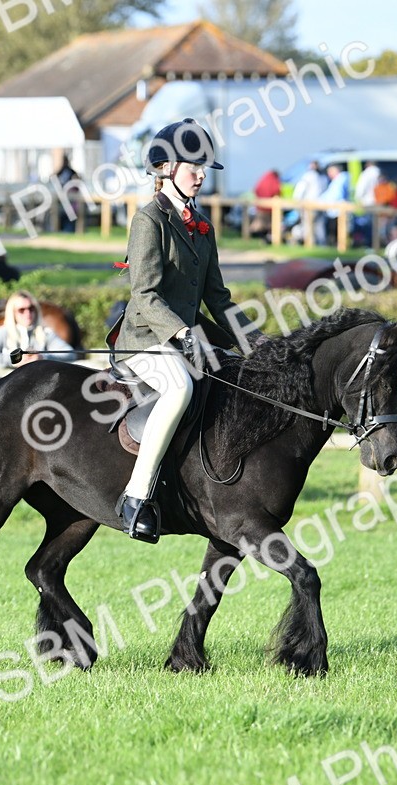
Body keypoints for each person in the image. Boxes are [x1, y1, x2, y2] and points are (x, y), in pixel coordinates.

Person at [112, 117, 261, 544]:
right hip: (145, 340)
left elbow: (219, 297)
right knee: (179, 388)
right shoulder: (149, 221)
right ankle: (136, 498)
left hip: (185, 340)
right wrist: (181, 334)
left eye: (203, 168)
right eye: (192, 166)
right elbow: (144, 293)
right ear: (166, 169)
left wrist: (259, 342)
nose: (200, 176)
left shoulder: (203, 226)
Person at [0, 290, 76, 367]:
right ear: (13, 313)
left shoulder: (45, 333)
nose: (27, 314)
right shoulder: (5, 332)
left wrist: (43, 357)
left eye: (31, 309)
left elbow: (70, 354)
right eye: (21, 310)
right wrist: (14, 360)